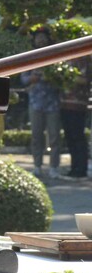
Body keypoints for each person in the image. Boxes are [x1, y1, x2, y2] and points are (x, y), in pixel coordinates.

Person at [21, 28, 61, 178]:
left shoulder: (55, 56)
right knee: (36, 135)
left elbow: (62, 78)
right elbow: (23, 79)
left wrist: (52, 77)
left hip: (53, 103)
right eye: (38, 37)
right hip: (35, 102)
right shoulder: (30, 57)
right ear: (34, 40)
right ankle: (37, 166)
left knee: (54, 136)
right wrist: (33, 78)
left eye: (44, 37)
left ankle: (54, 167)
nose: (41, 40)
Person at [60, 54, 91, 177]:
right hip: (64, 103)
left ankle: (81, 168)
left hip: (78, 104)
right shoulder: (66, 59)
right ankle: (74, 168)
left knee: (78, 136)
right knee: (69, 137)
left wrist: (67, 76)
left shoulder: (86, 60)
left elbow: (85, 79)